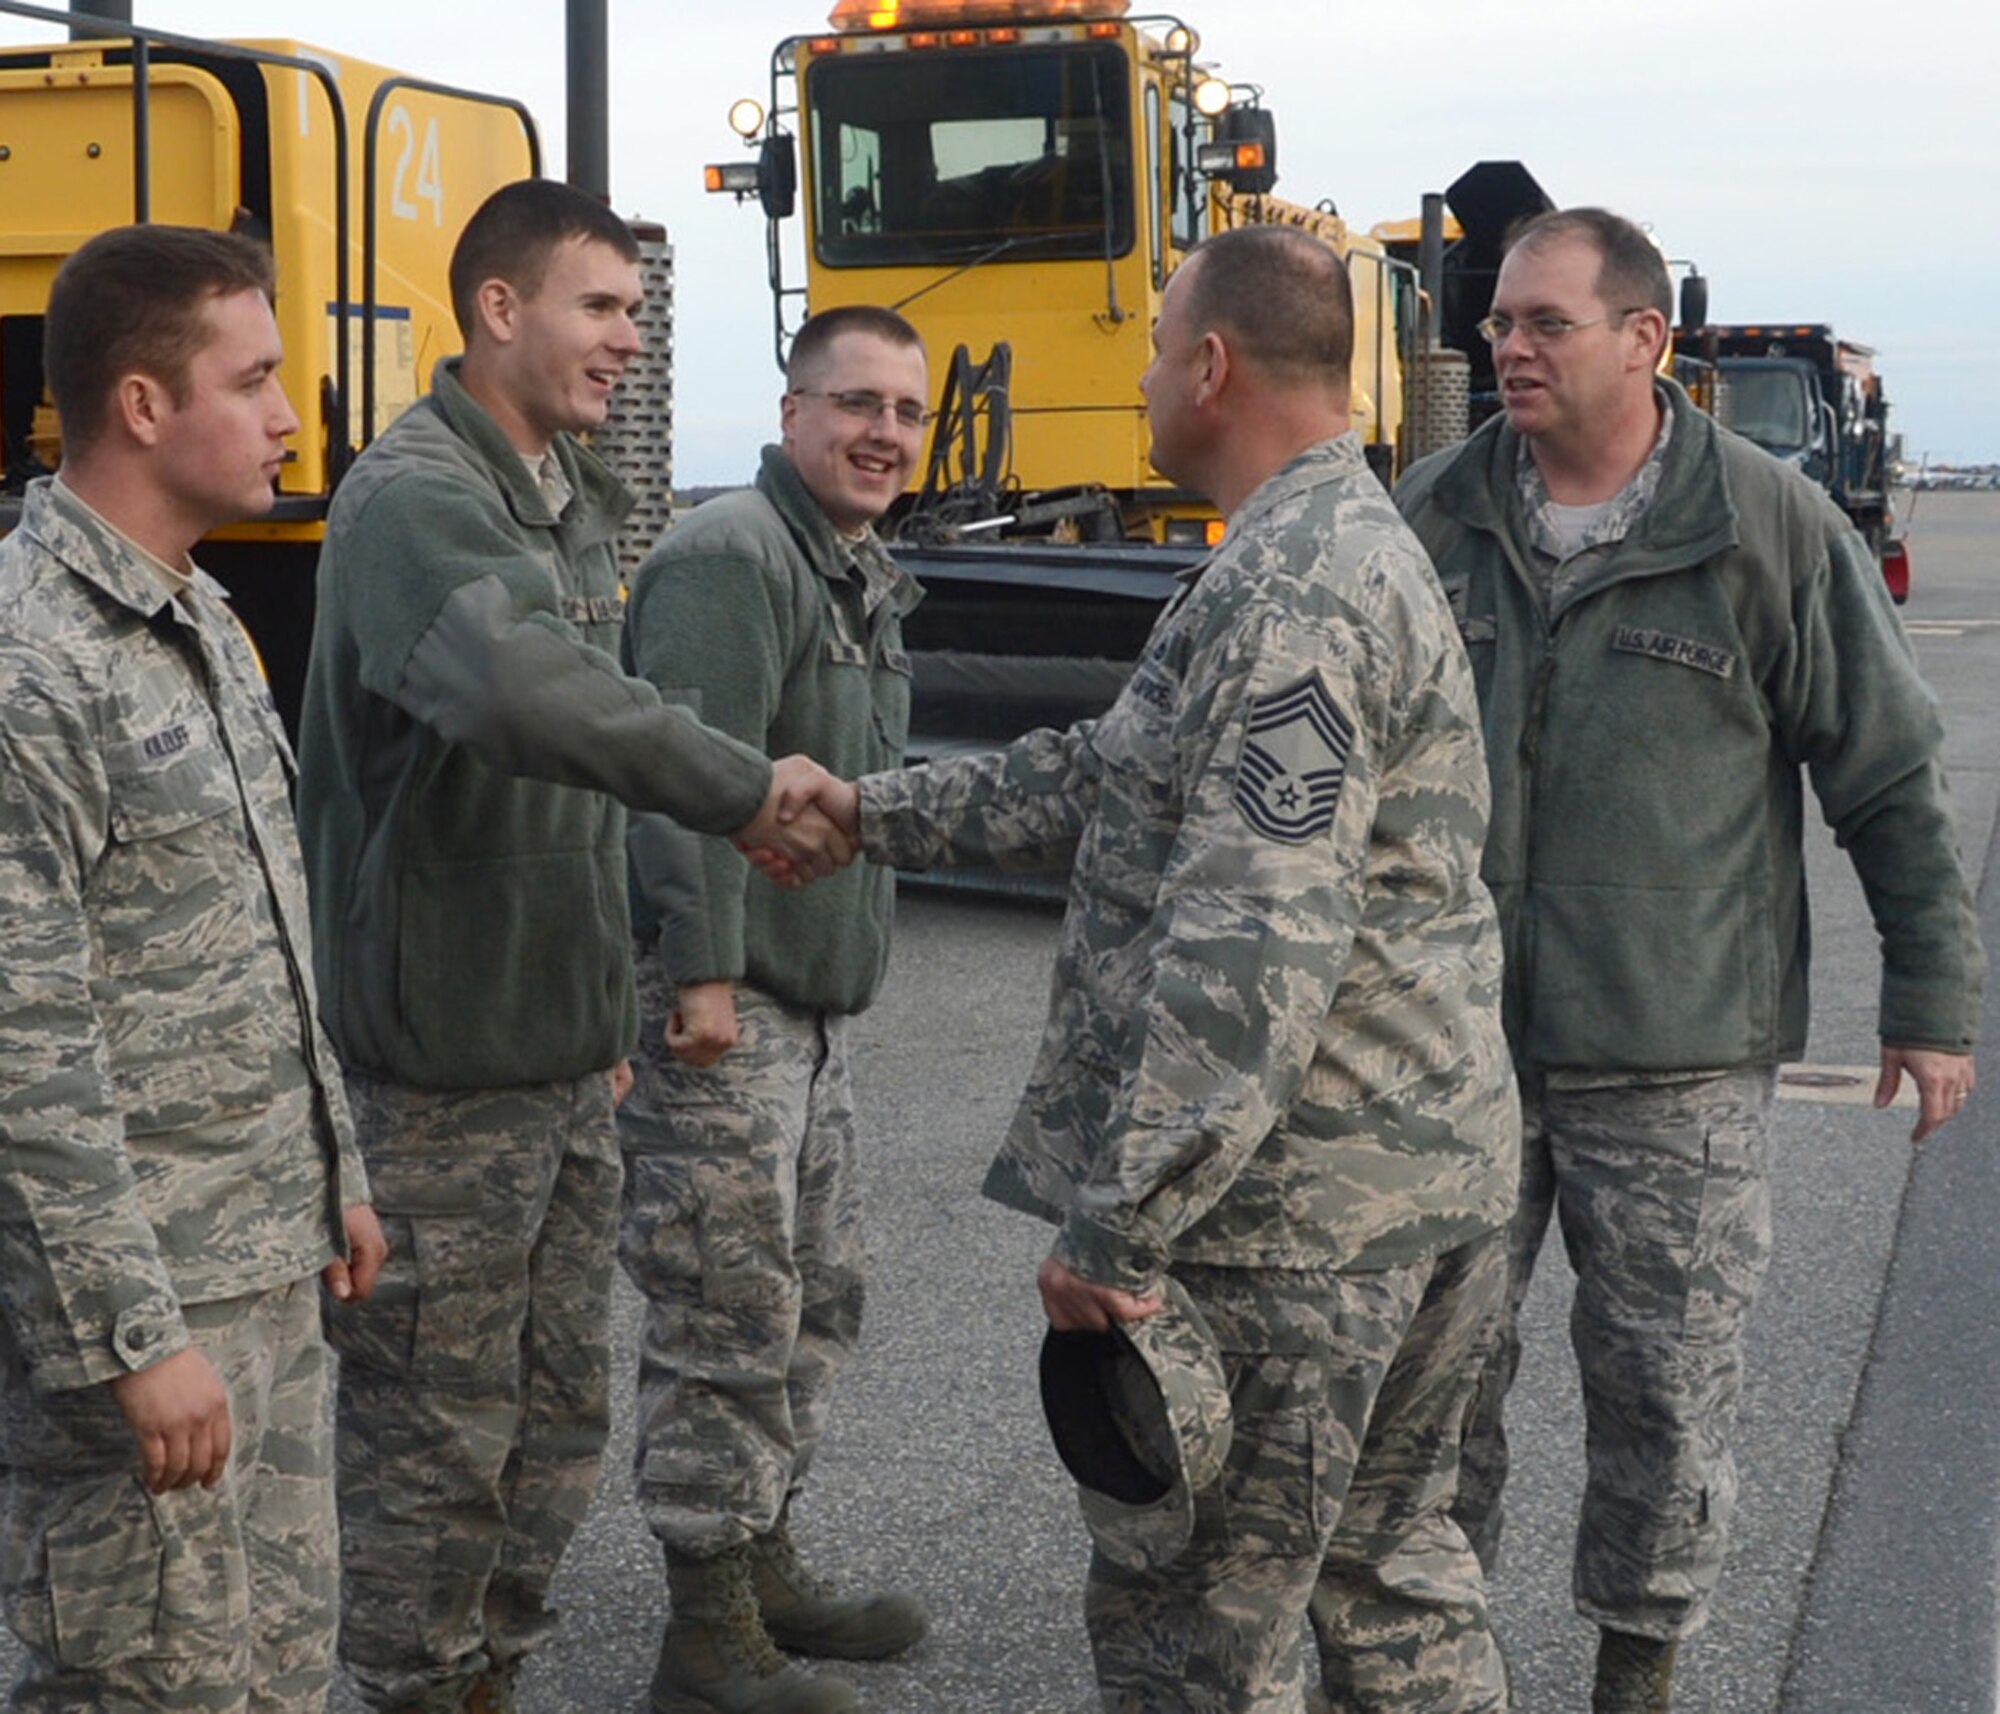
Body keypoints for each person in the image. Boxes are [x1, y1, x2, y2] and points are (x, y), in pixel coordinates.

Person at [779, 225, 1521, 1713]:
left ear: (1213, 366)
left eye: (1154, 344)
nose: (1137, 374)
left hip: (1290, 1229)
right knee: (1393, 1584)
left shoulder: (1295, 594)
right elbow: (1114, 777)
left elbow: (1252, 945)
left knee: (1198, 1630)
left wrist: (1120, 1226)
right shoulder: (1319, 553)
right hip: (1413, 1191)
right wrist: (866, 807)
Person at [1393, 206, 1983, 1714]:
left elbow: (1888, 773)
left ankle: (1635, 1672)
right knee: (1426, 1392)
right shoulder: (1434, 512)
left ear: (1644, 340)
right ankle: (1418, 1665)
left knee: (1663, 1399)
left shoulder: (1764, 522)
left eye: (1543, 324)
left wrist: (1929, 1000)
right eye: (1498, 323)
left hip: (1677, 1062)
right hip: (1448, 1050)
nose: (1504, 347)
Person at [295, 179, 850, 1714]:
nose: (627, 336)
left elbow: (588, 781)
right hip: (440, 1069)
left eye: (633, 308)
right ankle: (422, 1691)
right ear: (497, 308)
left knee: (553, 1431)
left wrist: (616, 989)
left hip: (558, 1057)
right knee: (433, 1444)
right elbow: (522, 695)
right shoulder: (416, 495)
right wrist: (744, 784)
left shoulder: (573, 487)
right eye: (598, 306)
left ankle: (492, 1681)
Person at [0, 223, 384, 1712]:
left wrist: (332, 1168)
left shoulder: (199, 615)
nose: (293, 414)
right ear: (145, 406)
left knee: (274, 1679)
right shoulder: (35, 658)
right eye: (259, 377)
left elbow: (257, 926)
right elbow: (26, 1035)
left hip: (265, 1267)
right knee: (145, 1686)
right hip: (146, 1318)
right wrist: (131, 1336)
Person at [619, 304, 933, 1714]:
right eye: (855, 403)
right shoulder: (727, 559)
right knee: (726, 1306)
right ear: (793, 409)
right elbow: (683, 777)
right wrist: (697, 975)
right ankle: (705, 1631)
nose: (882, 434)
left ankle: (762, 1555)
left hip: (804, 1012)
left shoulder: (860, 569)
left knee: (819, 1293)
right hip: (723, 1006)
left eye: (907, 414)